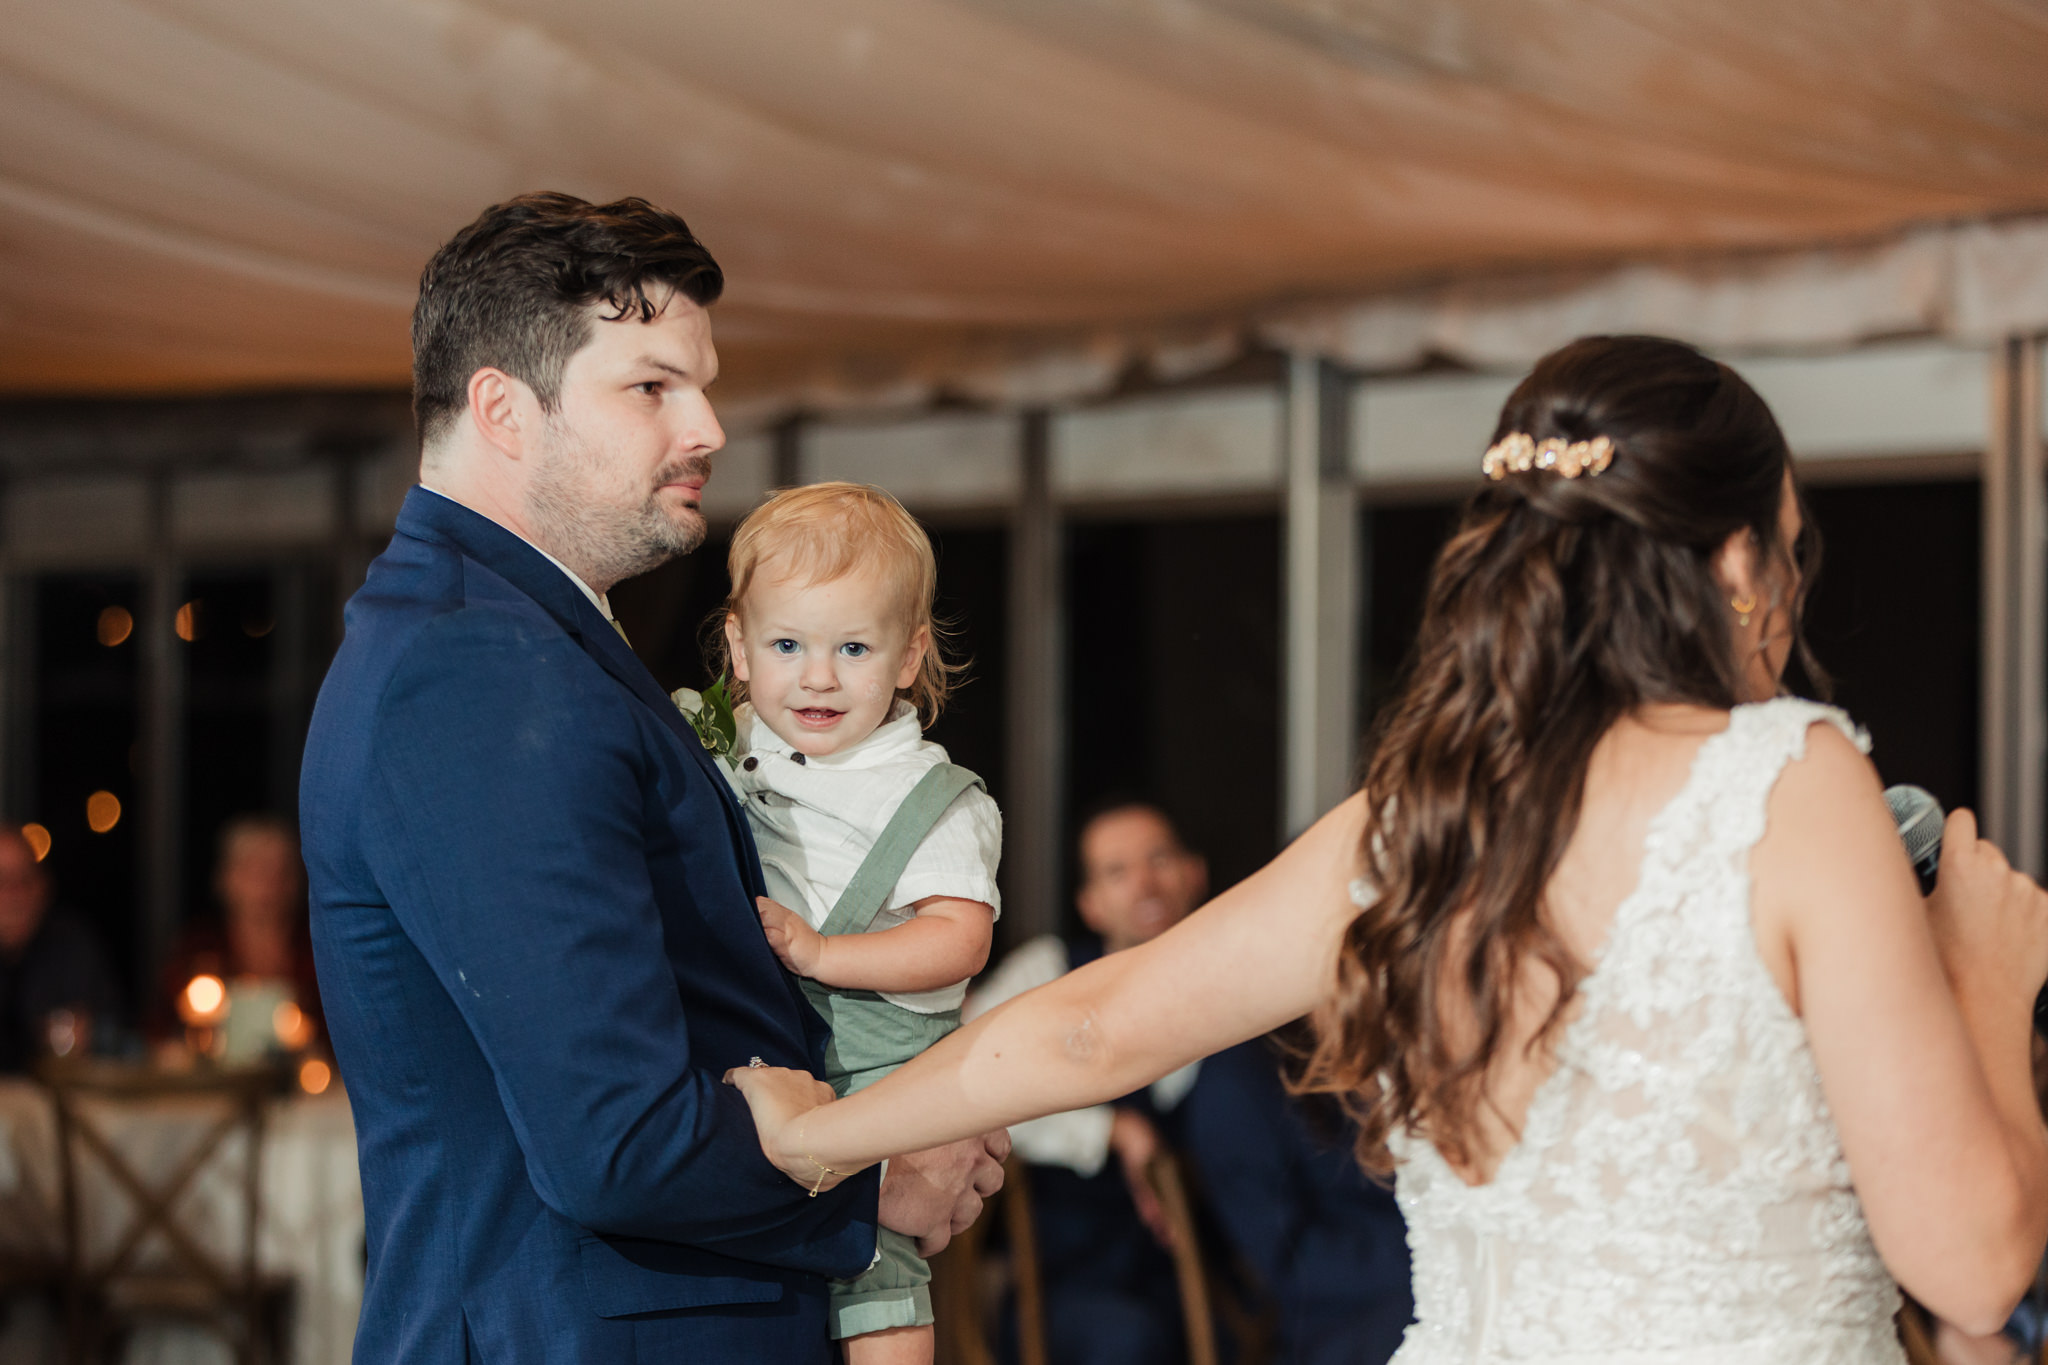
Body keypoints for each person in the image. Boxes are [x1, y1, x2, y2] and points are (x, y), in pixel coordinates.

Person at [732, 335, 2048, 1363]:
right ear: (1743, 556)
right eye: (1794, 542)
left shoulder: (1430, 807)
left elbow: (1098, 1027)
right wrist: (1989, 980)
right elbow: (1977, 1268)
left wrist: (827, 1134)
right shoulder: (1793, 782)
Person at [299, 192, 1006, 1364]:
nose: (709, 427)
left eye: (703, 384)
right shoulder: (472, 669)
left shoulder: (519, 636)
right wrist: (870, 1178)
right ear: (502, 410)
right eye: (651, 387)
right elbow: (612, 1136)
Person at [693, 481, 1004, 1365]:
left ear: (908, 657)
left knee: (881, 1265)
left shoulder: (925, 795)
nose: (818, 676)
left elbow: (960, 936)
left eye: (853, 647)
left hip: (879, 1054)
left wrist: (828, 951)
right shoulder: (732, 743)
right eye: (787, 643)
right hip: (771, 1054)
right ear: (739, 647)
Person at [972, 800, 1410, 1365]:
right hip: (1077, 1274)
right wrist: (1110, 1129)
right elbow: (971, 1084)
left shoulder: (1241, 1001)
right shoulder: (1049, 970)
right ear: (1090, 903)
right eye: (1117, 871)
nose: (1144, 883)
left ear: (1195, 875)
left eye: (1159, 859)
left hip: (1200, 1273)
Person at [155, 815, 322, 1049]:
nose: (270, 883)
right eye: (256, 869)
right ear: (226, 877)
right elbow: (162, 1028)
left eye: (282, 870)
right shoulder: (200, 947)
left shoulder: (317, 947)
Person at [0, 824, 121, 1072]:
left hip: (56, 1096)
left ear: (44, 888)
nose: (15, 895)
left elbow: (122, 1033)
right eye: (1, 881)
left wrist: (93, 1034)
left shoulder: (71, 945)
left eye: (25, 880)